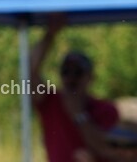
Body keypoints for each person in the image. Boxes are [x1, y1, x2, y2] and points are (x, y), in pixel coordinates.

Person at [31, 14, 131, 162]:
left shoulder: (105, 109)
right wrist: (50, 35)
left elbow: (106, 148)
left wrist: (79, 114)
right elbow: (30, 73)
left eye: (78, 72)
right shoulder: (51, 102)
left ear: (90, 77)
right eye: (66, 71)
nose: (71, 78)